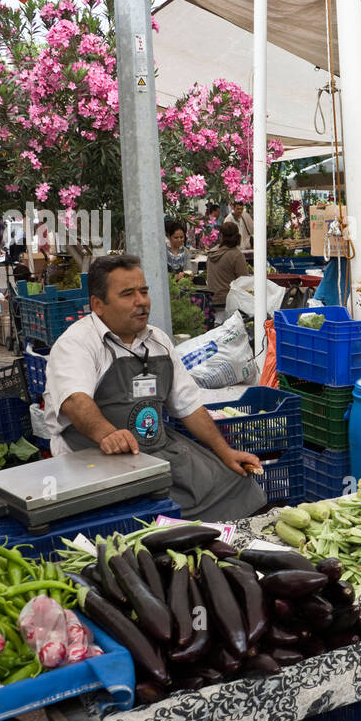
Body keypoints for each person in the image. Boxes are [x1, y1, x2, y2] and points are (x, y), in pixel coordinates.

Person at [43, 254, 266, 520]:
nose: (141, 302)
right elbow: (75, 401)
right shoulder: (76, 343)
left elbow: (189, 406)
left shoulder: (158, 341)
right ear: (98, 305)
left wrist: (225, 451)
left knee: (233, 481)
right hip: (94, 457)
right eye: (128, 294)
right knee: (137, 515)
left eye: (144, 291)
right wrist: (106, 434)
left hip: (157, 450)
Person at [205, 221, 250, 307]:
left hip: (211, 300)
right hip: (229, 302)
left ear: (221, 236)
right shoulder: (237, 255)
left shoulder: (211, 253)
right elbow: (245, 282)